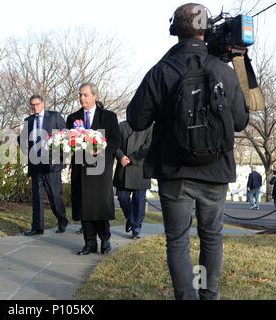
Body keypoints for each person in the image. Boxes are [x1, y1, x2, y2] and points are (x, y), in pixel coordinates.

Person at [127, 3, 249, 300]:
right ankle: (209, 296)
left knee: (178, 240)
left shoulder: (161, 70)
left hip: (174, 170)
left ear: (174, 31)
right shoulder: (223, 70)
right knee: (211, 238)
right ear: (206, 31)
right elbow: (241, 121)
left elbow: (136, 119)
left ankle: (188, 297)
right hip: (215, 170)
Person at [66, 82, 120, 255]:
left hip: (100, 168)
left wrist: (101, 152)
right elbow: (68, 142)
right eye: (80, 95)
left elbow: (115, 140)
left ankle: (105, 240)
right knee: (84, 207)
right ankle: (89, 243)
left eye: (85, 95)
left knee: (99, 206)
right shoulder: (72, 118)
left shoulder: (109, 116)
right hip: (81, 168)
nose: (82, 98)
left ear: (94, 96)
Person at [18, 95, 68, 236]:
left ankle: (62, 220)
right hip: (35, 164)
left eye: (37, 104)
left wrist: (61, 157)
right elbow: (22, 138)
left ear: (43, 103)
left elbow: (66, 136)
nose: (35, 107)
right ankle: (37, 228)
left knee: (54, 195)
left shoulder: (54, 116)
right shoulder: (28, 120)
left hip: (52, 165)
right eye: (32, 105)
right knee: (37, 197)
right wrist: (25, 149)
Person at [114, 120, 153, 240]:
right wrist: (120, 156)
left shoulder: (150, 126)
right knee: (122, 196)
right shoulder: (121, 126)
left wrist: (131, 158)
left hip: (140, 168)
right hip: (123, 168)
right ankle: (131, 219)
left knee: (138, 201)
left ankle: (136, 228)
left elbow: (148, 146)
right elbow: (115, 144)